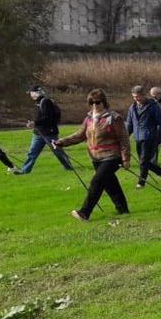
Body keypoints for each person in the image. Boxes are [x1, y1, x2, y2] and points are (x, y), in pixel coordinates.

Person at [54, 89, 131, 221]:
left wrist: (125, 158)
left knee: (97, 182)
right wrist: (61, 142)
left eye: (97, 102)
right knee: (110, 184)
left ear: (104, 102)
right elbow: (80, 135)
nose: (95, 105)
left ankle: (84, 212)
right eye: (91, 102)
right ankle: (123, 209)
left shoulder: (114, 118)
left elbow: (124, 139)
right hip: (96, 158)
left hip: (112, 157)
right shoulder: (89, 119)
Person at [12, 85, 74, 175]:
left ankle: (69, 167)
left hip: (49, 133)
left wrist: (35, 123)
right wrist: (34, 123)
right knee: (32, 152)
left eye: (31, 93)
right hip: (38, 133)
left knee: (58, 152)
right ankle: (25, 171)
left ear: (36, 93)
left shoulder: (46, 102)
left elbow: (47, 118)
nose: (30, 95)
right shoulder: (38, 102)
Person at [125, 85, 161, 189]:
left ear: (144, 95)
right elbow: (129, 124)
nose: (136, 99)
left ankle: (141, 184)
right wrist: (124, 138)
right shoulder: (132, 107)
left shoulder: (153, 106)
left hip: (150, 137)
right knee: (144, 162)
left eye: (138, 96)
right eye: (134, 97)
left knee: (143, 161)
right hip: (138, 138)